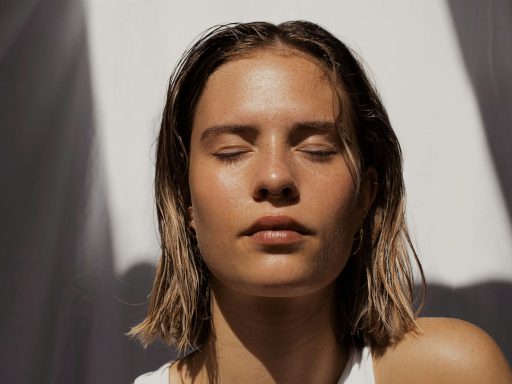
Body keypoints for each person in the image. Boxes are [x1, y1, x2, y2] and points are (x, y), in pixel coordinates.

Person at [131, 21, 512, 383]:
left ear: (366, 194)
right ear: (184, 199)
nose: (275, 178)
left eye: (316, 149)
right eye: (232, 151)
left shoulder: (449, 373)